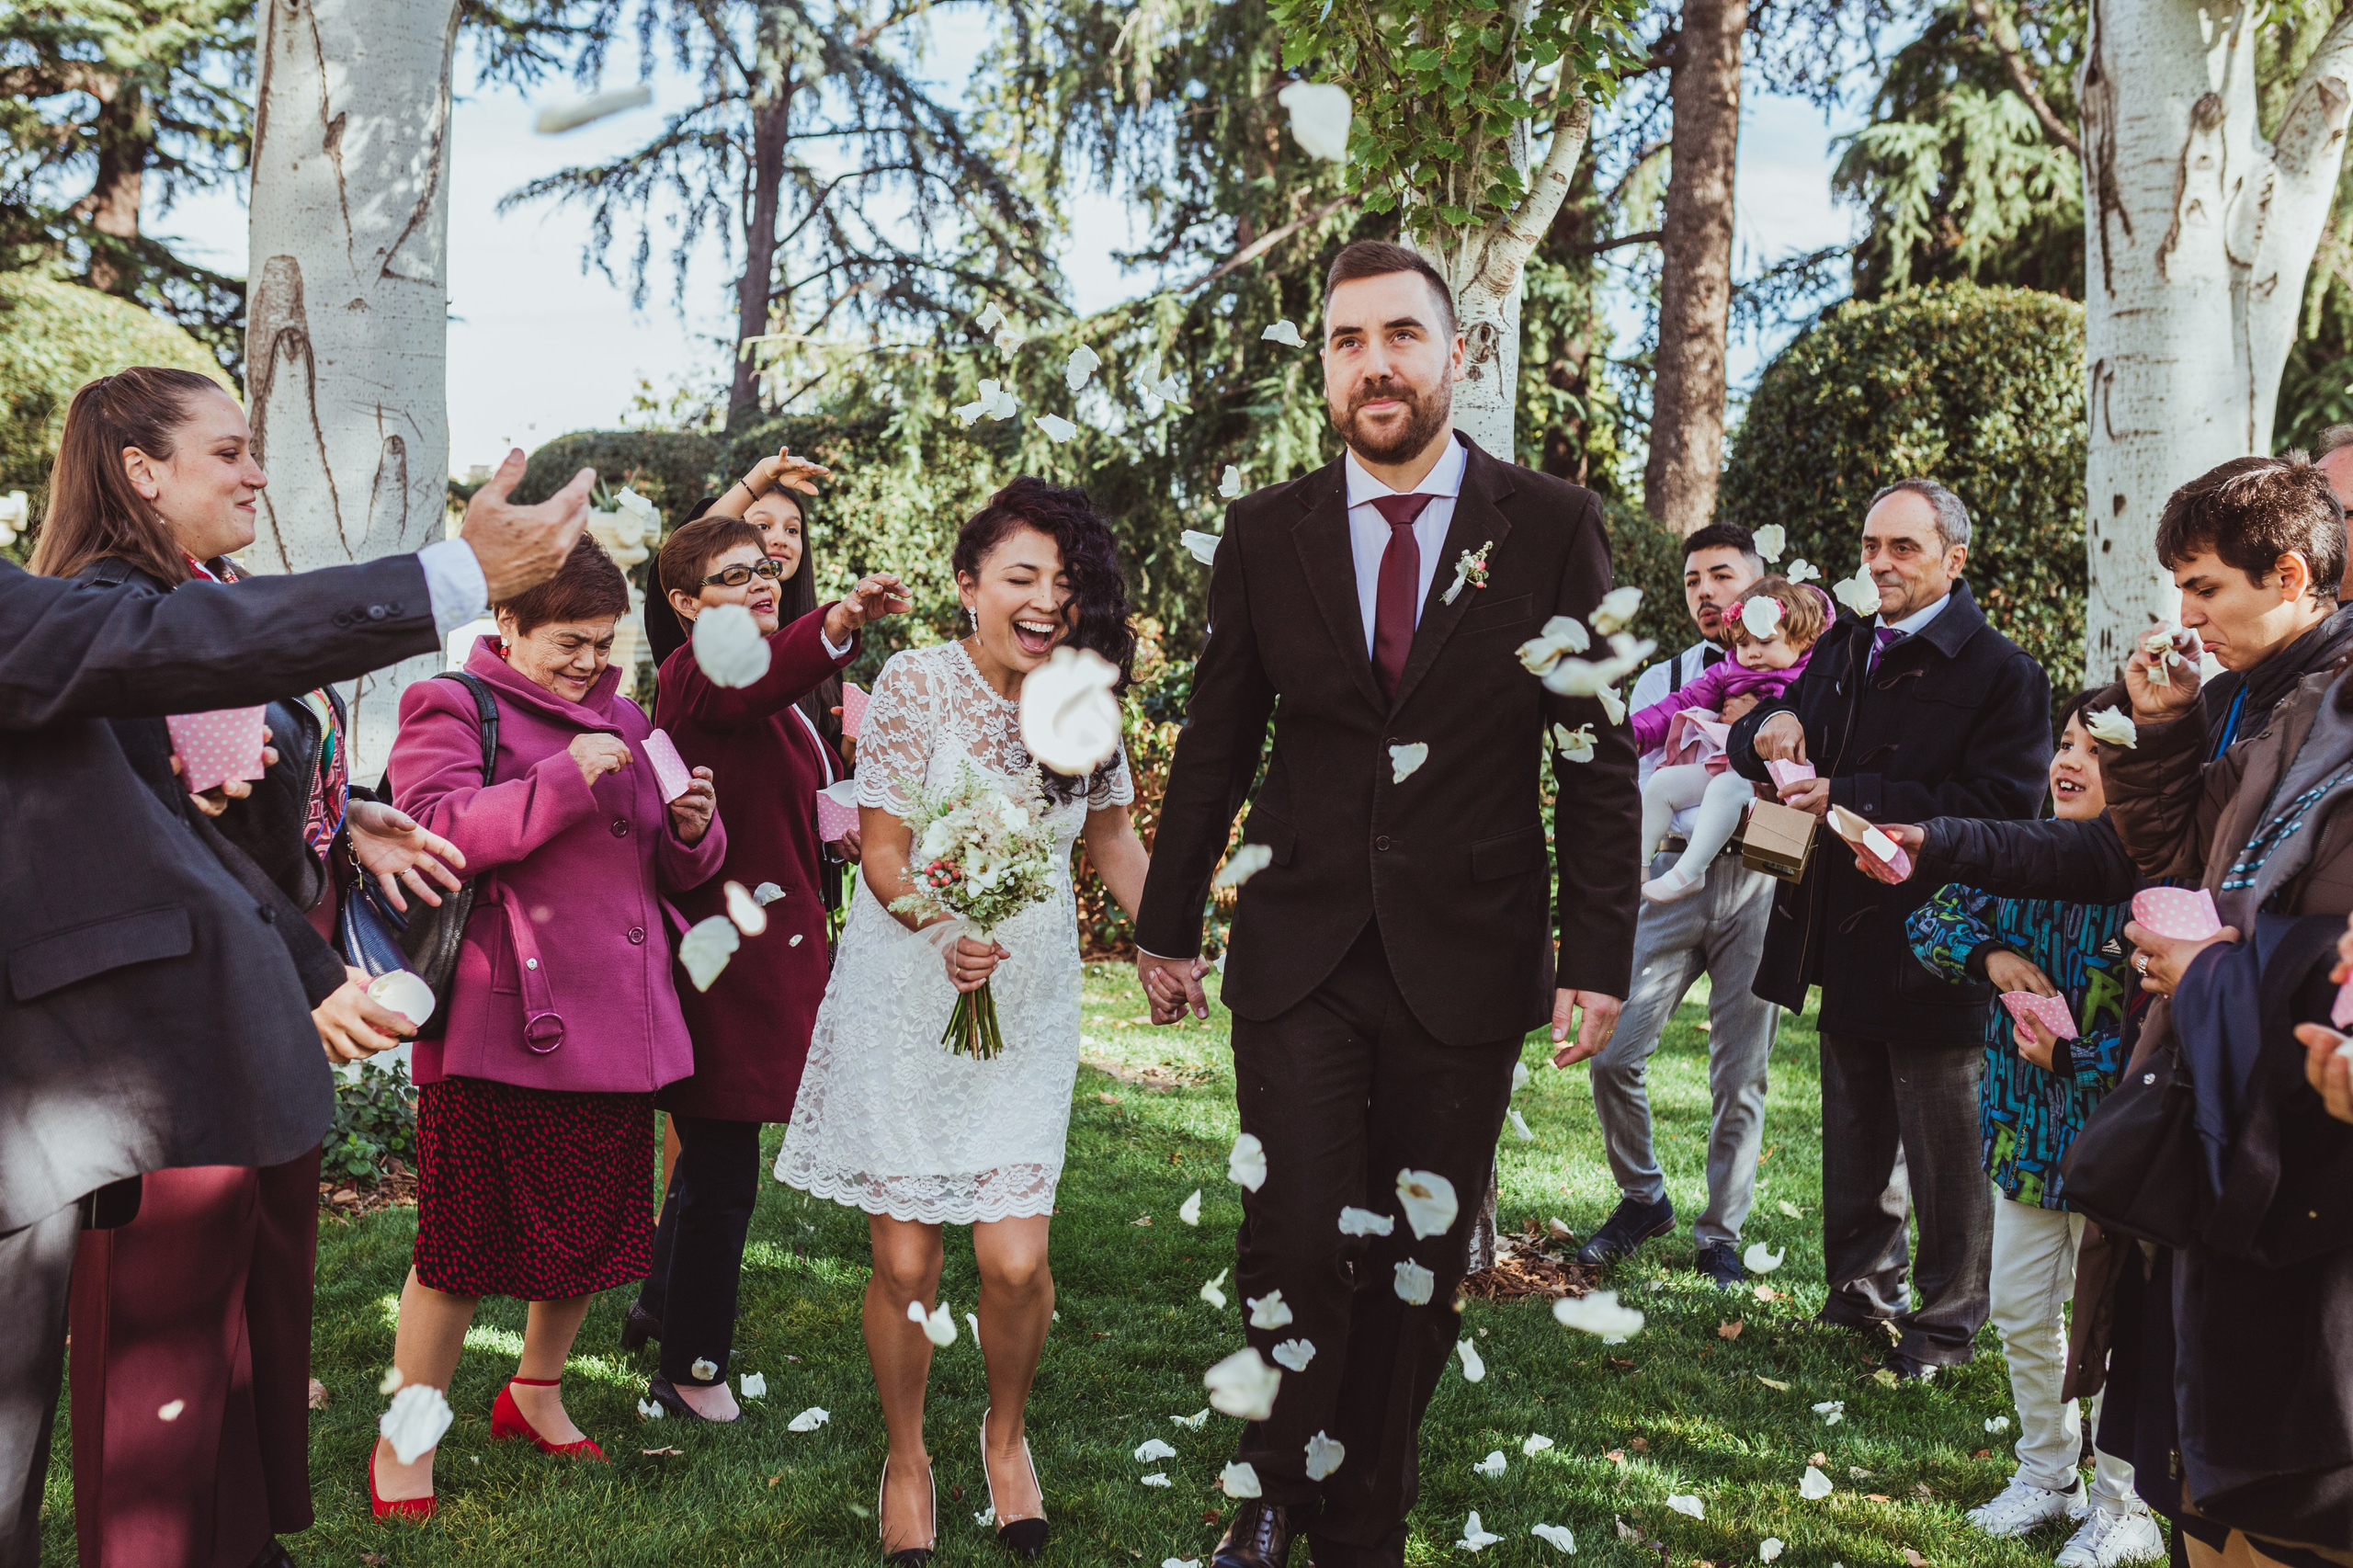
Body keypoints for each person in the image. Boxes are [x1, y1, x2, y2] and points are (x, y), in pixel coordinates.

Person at [0, 392, 593, 1568]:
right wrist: (453, 574)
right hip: (131, 1026)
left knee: (227, 1324)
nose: (257, 475)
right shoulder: (115, 610)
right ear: (141, 471)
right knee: (142, 1352)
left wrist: (339, 817)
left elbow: (215, 776)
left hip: (221, 993)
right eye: (228, 452)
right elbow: (156, 811)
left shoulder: (185, 601)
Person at [1133, 240, 1639, 1568]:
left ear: (1456, 351)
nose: (1375, 363)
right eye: (1348, 340)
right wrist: (1169, 916)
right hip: (1300, 945)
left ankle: (1365, 1516)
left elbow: (1592, 752)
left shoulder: (1549, 524)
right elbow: (1218, 738)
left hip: (1466, 955)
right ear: (1325, 365)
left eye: (1401, 336)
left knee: (1418, 1259)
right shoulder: (1267, 532)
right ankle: (1275, 1480)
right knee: (1296, 1232)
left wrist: (1597, 954)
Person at [775, 477, 1154, 1564]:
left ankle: (1004, 1433)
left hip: (1025, 997)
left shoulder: (1084, 701)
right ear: (969, 586)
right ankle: (906, 1454)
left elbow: (1115, 842)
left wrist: (1173, 937)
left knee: (1018, 1262)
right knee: (904, 1266)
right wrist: (940, 927)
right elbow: (883, 847)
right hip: (910, 985)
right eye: (1021, 577)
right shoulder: (915, 682)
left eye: (1066, 583)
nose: (1045, 601)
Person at [370, 539, 727, 1520]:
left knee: (585, 1230)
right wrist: (565, 778)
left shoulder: (631, 716)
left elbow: (670, 869)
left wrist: (694, 826)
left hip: (620, 1018)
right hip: (502, 1016)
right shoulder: (451, 705)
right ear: (509, 624)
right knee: (458, 1244)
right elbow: (427, 830)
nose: (589, 661)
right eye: (568, 640)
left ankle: (534, 1388)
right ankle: (409, 1434)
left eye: (604, 642)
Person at [1731, 478, 2052, 1381]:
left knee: (1943, 1144)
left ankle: (1944, 1326)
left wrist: (1854, 796)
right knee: (1857, 1127)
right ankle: (1859, 1293)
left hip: (1940, 940)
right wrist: (1769, 724)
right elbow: (1764, 724)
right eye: (1871, 545)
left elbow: (2003, 814)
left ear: (1954, 559)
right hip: (1839, 925)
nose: (1879, 563)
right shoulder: (1840, 646)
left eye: (1902, 547)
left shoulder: (2007, 674)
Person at [2095, 452, 2353, 1561]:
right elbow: (2183, 866)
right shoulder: (2259, 693)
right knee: (2196, 1490)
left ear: (2289, 573)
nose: (2184, 614)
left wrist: (2213, 974)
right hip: (2208, 1123)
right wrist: (2162, 731)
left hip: (2299, 1165)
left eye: (2204, 587)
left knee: (2280, 1497)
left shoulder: (2328, 703)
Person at [625, 501, 910, 1422]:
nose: (761, 584)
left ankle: (660, 1308)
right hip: (724, 961)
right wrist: (836, 624)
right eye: (735, 576)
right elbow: (751, 681)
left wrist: (835, 830)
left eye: (767, 570)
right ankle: (690, 1368)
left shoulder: (768, 692)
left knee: (712, 1159)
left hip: (770, 950)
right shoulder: (699, 668)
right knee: (722, 1170)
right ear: (681, 601)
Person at [1900, 693, 2164, 1568]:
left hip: (2119, 1151)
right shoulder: (2017, 857)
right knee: (2018, 1310)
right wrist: (1989, 955)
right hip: (2020, 1141)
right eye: (2067, 741)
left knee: (2117, 1323)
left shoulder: (2150, 894)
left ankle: (2124, 1504)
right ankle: (2048, 1474)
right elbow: (1928, 919)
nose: (2071, 760)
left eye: (2098, 751)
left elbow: (2150, 1048)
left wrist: (2067, 1060)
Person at [1575, 522, 1780, 1287]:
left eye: (1722, 576)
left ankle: (1719, 1234)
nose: (1706, 593)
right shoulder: (1666, 677)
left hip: (1759, 879)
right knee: (1614, 1051)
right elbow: (1639, 778)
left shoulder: (1811, 668)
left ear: (1760, 582)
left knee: (1741, 1074)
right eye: (1694, 581)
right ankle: (1643, 1197)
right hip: (1666, 880)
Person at [1634, 574, 1829, 903]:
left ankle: (1690, 872)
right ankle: (1636, 864)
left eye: (1764, 642)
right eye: (1743, 644)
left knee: (1724, 789)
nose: (1751, 654)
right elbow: (1679, 702)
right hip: (1728, 763)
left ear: (1800, 639)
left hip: (1776, 785)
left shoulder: (1815, 677)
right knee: (1662, 783)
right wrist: (1631, 735)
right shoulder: (1727, 671)